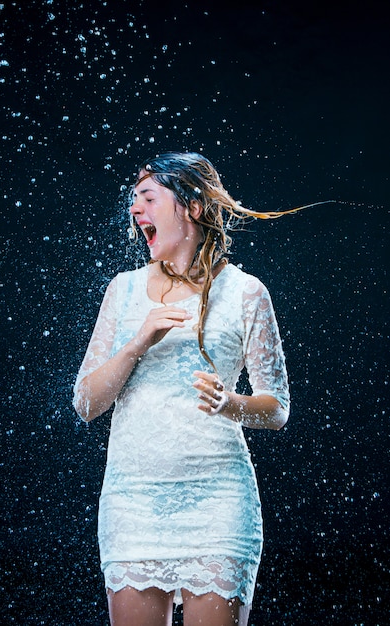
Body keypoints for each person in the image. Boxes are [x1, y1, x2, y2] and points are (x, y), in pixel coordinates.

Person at [73, 152, 293, 626]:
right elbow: (87, 403)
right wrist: (136, 344)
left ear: (191, 207)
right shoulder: (123, 290)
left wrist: (230, 403)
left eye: (148, 198)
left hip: (218, 500)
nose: (136, 210)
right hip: (132, 500)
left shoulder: (245, 292)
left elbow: (276, 410)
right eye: (134, 200)